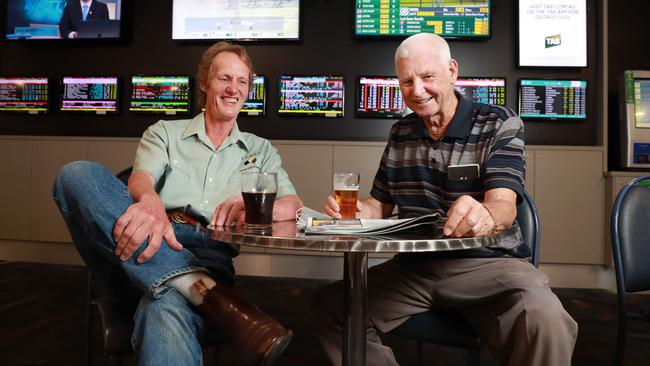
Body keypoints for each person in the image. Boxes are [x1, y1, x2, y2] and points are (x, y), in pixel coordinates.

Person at [312, 33, 578, 366]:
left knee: (544, 317)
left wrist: (484, 213)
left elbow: (504, 205)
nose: (417, 90)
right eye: (407, 81)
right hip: (414, 269)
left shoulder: (499, 122)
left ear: (452, 71)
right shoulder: (401, 132)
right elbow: (379, 204)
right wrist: (347, 211)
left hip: (487, 264)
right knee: (332, 306)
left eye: (427, 77)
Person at [53, 41, 303, 366]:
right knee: (76, 174)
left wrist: (259, 204)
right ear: (204, 83)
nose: (233, 89)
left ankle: (193, 286)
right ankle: (209, 294)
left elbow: (294, 204)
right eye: (224, 78)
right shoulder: (165, 132)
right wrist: (149, 199)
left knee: (164, 304)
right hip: (145, 240)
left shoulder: (261, 149)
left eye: (242, 81)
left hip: (211, 251)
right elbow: (141, 177)